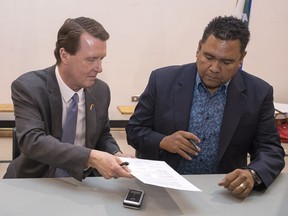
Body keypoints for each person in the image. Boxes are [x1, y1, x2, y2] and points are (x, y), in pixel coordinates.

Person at [126, 16, 285, 198]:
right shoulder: (162, 80)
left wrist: (253, 174)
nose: (214, 68)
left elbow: (270, 150)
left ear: (241, 58)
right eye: (208, 57)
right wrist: (162, 141)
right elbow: (134, 130)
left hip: (222, 193)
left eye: (226, 62)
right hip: (163, 189)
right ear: (198, 48)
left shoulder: (258, 92)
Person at [4, 17, 132, 181]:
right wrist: (91, 157)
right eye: (91, 59)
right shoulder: (28, 87)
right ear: (64, 55)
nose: (99, 68)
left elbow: (102, 135)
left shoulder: (101, 91)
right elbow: (33, 142)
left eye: (102, 59)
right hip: (37, 179)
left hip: (83, 180)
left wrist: (116, 154)